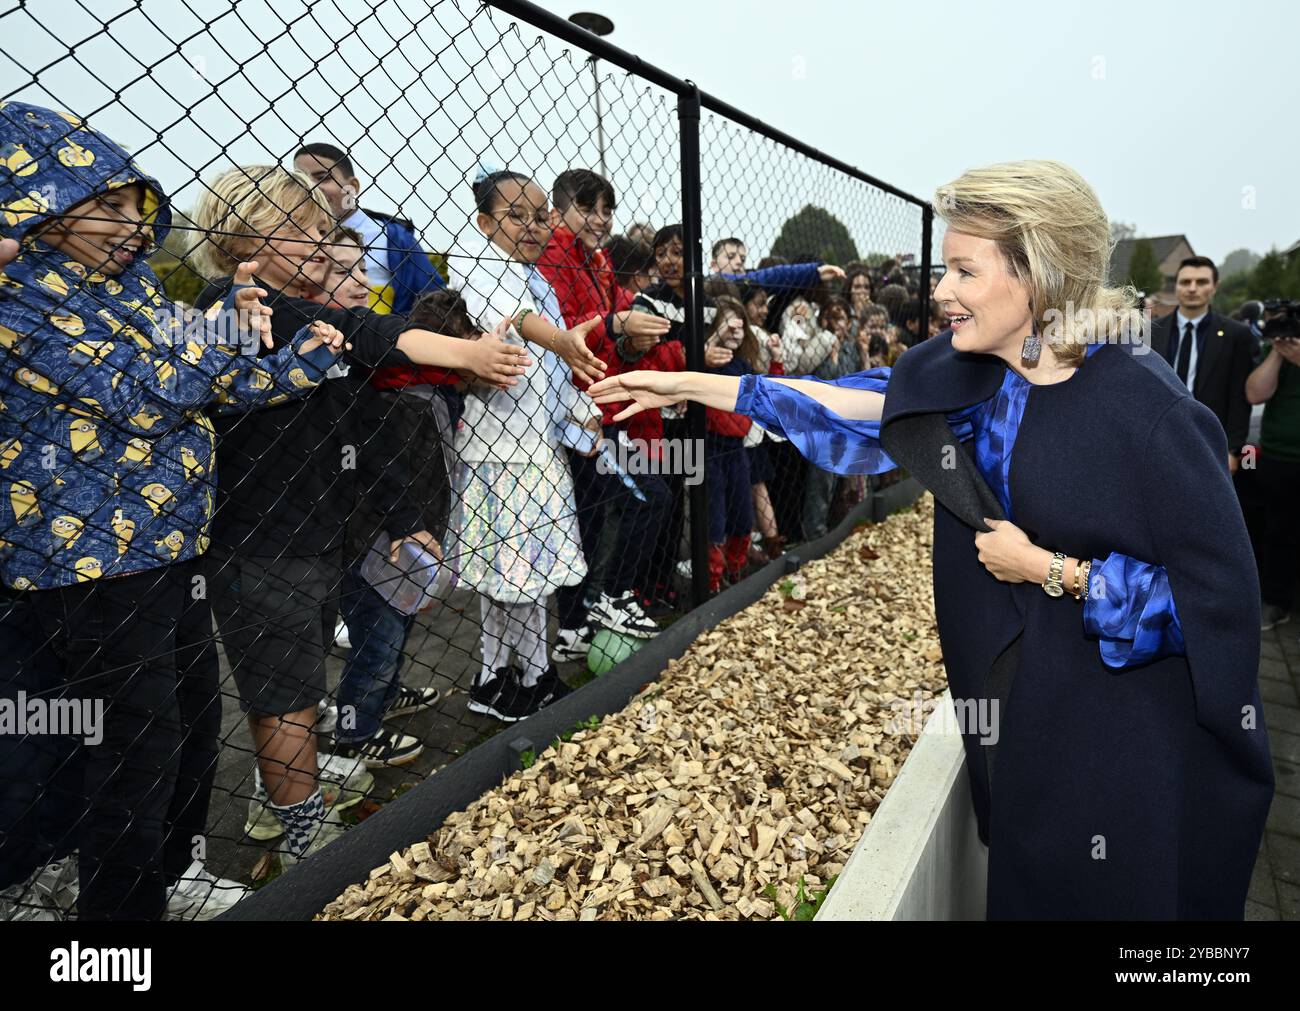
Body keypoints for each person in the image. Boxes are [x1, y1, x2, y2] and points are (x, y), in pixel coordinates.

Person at [591, 159, 1274, 919]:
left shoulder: (1151, 412)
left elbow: (1217, 604)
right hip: (1028, 725)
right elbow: (849, 404)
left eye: (962, 270)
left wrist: (1053, 570)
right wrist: (688, 383)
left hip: (1125, 740)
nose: (939, 291)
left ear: (1039, 273)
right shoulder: (983, 377)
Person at [0, 102, 349, 918]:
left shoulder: (135, 289)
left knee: (192, 725)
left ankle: (164, 868)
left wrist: (295, 359)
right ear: (37, 204)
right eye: (104, 204)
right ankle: (116, 921)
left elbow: (213, 385)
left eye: (135, 205)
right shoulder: (21, 301)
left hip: (168, 548)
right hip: (86, 567)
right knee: (128, 745)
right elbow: (141, 389)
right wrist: (221, 329)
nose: (128, 224)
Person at [190, 164, 531, 865]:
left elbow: (368, 420)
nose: (319, 242)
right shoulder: (240, 307)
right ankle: (304, 843)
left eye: (324, 228)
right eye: (302, 229)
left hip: (317, 533)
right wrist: (468, 350)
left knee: (296, 680)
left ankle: (280, 795)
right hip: (264, 541)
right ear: (239, 237)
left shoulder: (312, 320)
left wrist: (405, 515)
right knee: (283, 694)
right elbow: (370, 334)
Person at [444, 167, 606, 722]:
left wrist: (577, 413)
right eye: (517, 216)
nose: (533, 227)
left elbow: (548, 375)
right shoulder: (477, 261)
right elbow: (513, 318)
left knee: (513, 575)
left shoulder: (533, 277)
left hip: (532, 448)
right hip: (502, 453)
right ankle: (534, 676)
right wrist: (560, 340)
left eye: (542, 216)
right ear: (485, 222)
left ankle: (494, 676)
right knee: (520, 575)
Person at [537, 169, 669, 647]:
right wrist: (616, 324)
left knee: (588, 518)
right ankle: (611, 596)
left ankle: (575, 626)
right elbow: (563, 329)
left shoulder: (598, 261)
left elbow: (609, 336)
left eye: (606, 209)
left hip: (597, 405)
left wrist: (630, 340)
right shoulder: (554, 253)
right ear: (559, 210)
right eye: (586, 207)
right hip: (570, 409)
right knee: (646, 497)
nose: (598, 218)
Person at [292, 141, 444, 314]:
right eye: (300, 179)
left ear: (353, 187)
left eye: (323, 177)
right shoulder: (288, 237)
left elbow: (432, 296)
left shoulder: (391, 236)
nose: (311, 187)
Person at [1148, 257, 1256, 472]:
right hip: (1158, 440)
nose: (1192, 289)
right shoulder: (1149, 332)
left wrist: (1234, 451)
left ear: (1215, 286)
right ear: (1176, 286)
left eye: (1201, 282)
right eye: (1185, 282)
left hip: (1211, 443)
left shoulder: (1237, 335)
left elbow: (1239, 397)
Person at [1245, 306, 1300, 630]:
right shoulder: (1273, 349)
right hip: (1278, 455)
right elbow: (1255, 393)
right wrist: (1278, 353)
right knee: (1277, 532)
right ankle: (1276, 600)